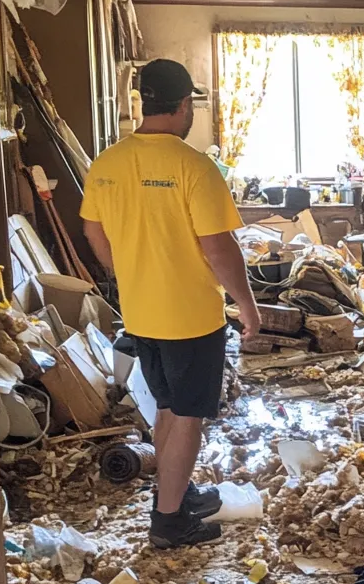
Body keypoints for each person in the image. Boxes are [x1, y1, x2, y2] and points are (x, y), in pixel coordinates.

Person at [80, 59, 261, 549]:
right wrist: (247, 304)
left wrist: (123, 271)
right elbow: (219, 249)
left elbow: (93, 229)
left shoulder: (108, 163)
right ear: (184, 106)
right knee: (186, 417)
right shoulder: (193, 166)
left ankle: (174, 496)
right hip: (190, 315)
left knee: (166, 406)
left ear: (144, 102)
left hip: (141, 312)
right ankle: (168, 522)